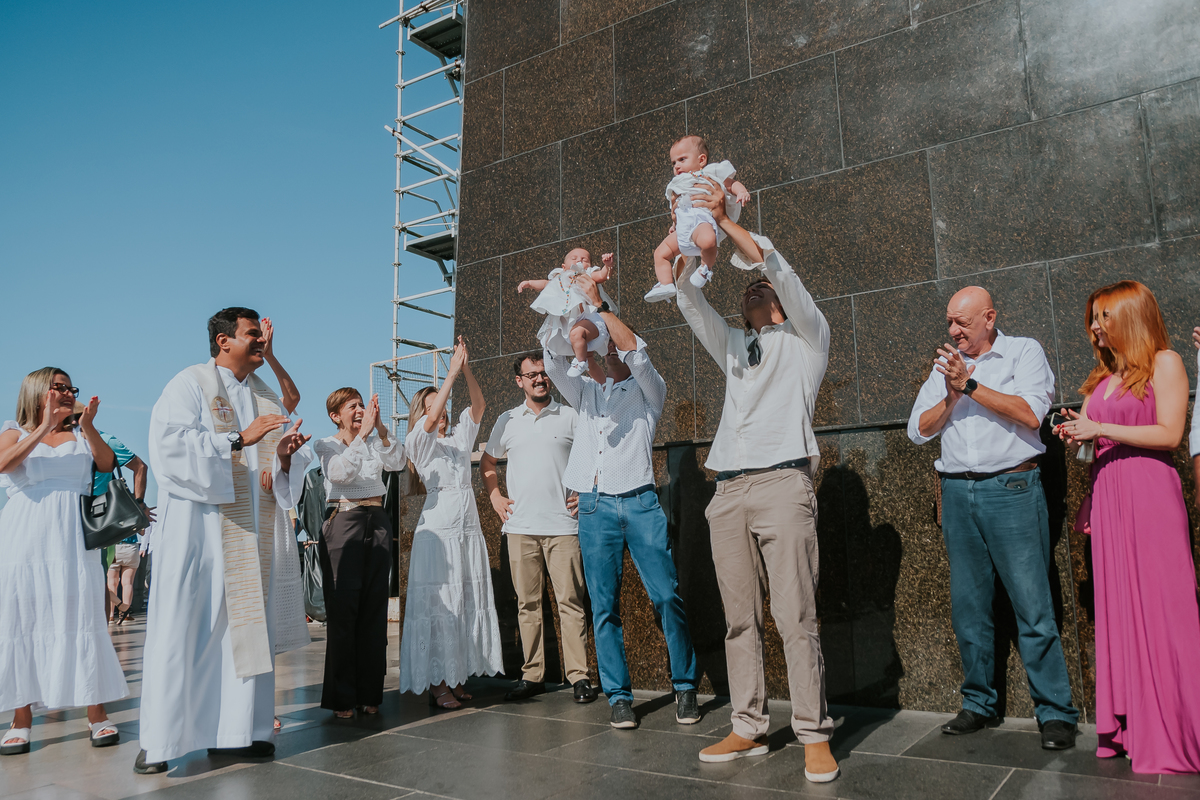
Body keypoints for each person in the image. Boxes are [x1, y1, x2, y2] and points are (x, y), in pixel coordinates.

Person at [674, 178, 838, 781]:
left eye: (759, 287)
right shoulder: (735, 347)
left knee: (797, 615)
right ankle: (748, 726)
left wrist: (728, 219)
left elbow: (778, 271)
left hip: (783, 484)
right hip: (728, 492)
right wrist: (688, 248)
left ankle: (813, 731)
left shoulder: (809, 340)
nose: (753, 290)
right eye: (746, 288)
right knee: (739, 618)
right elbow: (690, 303)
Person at [135, 308, 312, 774]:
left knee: (244, 630)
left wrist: (286, 459)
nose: (260, 342)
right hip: (198, 532)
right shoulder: (189, 383)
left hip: (247, 535)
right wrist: (236, 439)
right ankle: (160, 740)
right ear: (222, 341)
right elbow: (169, 448)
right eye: (252, 335)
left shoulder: (262, 393)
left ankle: (236, 733)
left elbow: (274, 468)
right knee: (184, 630)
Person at [907, 286, 1080, 752]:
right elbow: (917, 429)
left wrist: (972, 387)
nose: (953, 331)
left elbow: (1030, 413)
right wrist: (949, 395)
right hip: (958, 493)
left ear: (989, 317)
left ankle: (1056, 712)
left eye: (962, 322)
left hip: (1013, 489)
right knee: (969, 607)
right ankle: (978, 703)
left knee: (1032, 603)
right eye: (949, 322)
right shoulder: (946, 367)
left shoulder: (1023, 352)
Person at [1057, 281, 1200, 773]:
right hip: (1110, 497)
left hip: (1151, 496)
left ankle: (1179, 728)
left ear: (1131, 315)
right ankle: (1133, 728)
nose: (1095, 327)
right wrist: (1079, 431)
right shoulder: (1103, 377)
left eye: (1104, 316)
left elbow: (1170, 433)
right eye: (1093, 319)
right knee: (1121, 611)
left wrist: (1101, 429)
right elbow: (1095, 439)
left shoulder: (1166, 362)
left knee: (1165, 610)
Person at [543, 290, 701, 731]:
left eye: (609, 341)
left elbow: (637, 351)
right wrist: (566, 299)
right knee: (604, 606)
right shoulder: (585, 392)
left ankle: (685, 685)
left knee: (667, 595)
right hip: (593, 506)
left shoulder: (650, 390)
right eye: (600, 342)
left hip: (640, 501)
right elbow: (553, 359)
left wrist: (603, 307)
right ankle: (618, 696)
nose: (605, 347)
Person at [0, 368, 127, 756]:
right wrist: (42, 428)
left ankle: (97, 713)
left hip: (72, 537)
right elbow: (3, 464)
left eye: (72, 388)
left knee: (84, 617)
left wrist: (87, 426)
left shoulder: (79, 435)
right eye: (60, 388)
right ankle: (21, 719)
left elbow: (105, 465)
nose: (69, 393)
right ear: (38, 392)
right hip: (24, 538)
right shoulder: (15, 431)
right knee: (22, 620)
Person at [480, 352, 597, 703]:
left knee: (571, 604)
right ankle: (533, 676)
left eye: (543, 373)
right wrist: (495, 496)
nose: (539, 379)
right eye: (531, 375)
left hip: (564, 526)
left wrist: (587, 488)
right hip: (520, 527)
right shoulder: (508, 420)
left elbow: (596, 453)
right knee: (526, 605)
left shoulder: (571, 416)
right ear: (519, 381)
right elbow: (488, 460)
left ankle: (579, 677)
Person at [398, 336, 503, 709]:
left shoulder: (459, 438)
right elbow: (428, 423)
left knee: (462, 604)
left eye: (441, 407)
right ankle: (437, 683)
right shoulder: (417, 442)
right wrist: (448, 377)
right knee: (440, 607)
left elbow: (479, 405)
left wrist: (466, 367)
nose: (440, 412)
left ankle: (455, 675)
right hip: (438, 533)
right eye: (433, 407)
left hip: (467, 530)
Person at [313, 388, 406, 718]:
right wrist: (361, 436)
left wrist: (379, 430)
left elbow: (397, 462)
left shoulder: (373, 441)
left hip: (378, 520)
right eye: (351, 407)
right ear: (336, 415)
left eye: (361, 406)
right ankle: (342, 697)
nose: (359, 411)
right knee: (344, 611)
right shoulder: (326, 445)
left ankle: (370, 694)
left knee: (373, 611)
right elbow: (340, 474)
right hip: (344, 521)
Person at [645, 135, 750, 302]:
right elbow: (678, 207)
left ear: (701, 160)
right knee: (660, 253)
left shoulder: (709, 173)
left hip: (701, 222)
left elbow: (731, 184)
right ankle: (665, 283)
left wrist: (742, 191)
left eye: (682, 159)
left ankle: (705, 268)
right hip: (683, 228)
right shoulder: (676, 183)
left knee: (708, 241)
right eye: (673, 163)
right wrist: (674, 224)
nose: (677, 166)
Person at [519, 249, 616, 379]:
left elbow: (602, 276)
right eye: (574, 258)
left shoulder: (586, 275)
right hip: (573, 325)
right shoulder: (559, 279)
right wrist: (530, 283)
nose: (579, 260)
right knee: (589, 360)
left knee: (577, 336)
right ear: (563, 267)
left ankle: (580, 362)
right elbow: (545, 284)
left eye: (584, 259)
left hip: (590, 319)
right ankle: (605, 384)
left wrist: (608, 266)